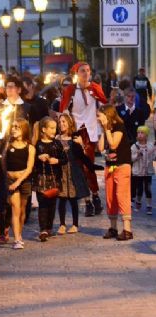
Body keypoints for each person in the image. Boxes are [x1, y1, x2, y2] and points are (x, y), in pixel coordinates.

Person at [59, 62, 107, 217]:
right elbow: (63, 110)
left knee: (89, 165)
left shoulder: (95, 87)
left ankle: (95, 196)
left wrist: (102, 122)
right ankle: (87, 201)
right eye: (82, 71)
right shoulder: (70, 90)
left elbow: (105, 105)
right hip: (77, 131)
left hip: (91, 131)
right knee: (79, 167)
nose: (86, 73)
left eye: (88, 70)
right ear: (77, 73)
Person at [97, 105, 133, 240]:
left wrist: (106, 129)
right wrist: (102, 130)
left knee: (121, 195)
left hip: (122, 165)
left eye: (99, 115)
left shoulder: (119, 126)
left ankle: (127, 230)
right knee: (110, 197)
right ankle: (113, 228)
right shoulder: (106, 129)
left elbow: (113, 145)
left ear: (107, 114)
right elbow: (101, 148)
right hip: (110, 166)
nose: (97, 118)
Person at [56, 114, 92, 234]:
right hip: (61, 171)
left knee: (72, 199)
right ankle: (62, 224)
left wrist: (81, 144)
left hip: (72, 171)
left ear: (70, 123)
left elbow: (82, 156)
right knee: (61, 198)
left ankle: (75, 224)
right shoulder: (56, 138)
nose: (62, 124)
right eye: (60, 122)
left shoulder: (75, 138)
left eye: (64, 121)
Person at [33, 117, 66, 242]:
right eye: (51, 128)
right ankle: (43, 229)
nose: (54, 130)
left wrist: (56, 160)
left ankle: (49, 227)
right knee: (43, 204)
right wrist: (39, 157)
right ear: (43, 129)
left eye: (55, 128)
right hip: (41, 177)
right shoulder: (38, 144)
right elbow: (32, 160)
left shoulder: (57, 144)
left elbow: (64, 159)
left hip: (54, 177)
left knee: (52, 204)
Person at [6, 119, 35, 249]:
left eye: (17, 127)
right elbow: (3, 162)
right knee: (15, 209)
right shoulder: (8, 145)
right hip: (11, 181)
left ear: (24, 129)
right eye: (12, 127)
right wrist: (8, 177)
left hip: (24, 181)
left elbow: (29, 168)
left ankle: (19, 232)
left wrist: (18, 181)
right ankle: (17, 239)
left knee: (22, 211)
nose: (14, 129)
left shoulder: (30, 148)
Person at [131, 125, 155, 215]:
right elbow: (131, 159)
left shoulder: (151, 145)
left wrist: (153, 150)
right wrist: (137, 155)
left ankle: (149, 206)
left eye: (142, 133)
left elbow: (154, 157)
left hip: (148, 171)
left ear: (146, 135)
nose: (140, 135)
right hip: (138, 172)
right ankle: (138, 203)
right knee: (139, 188)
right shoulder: (134, 146)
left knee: (148, 188)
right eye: (138, 133)